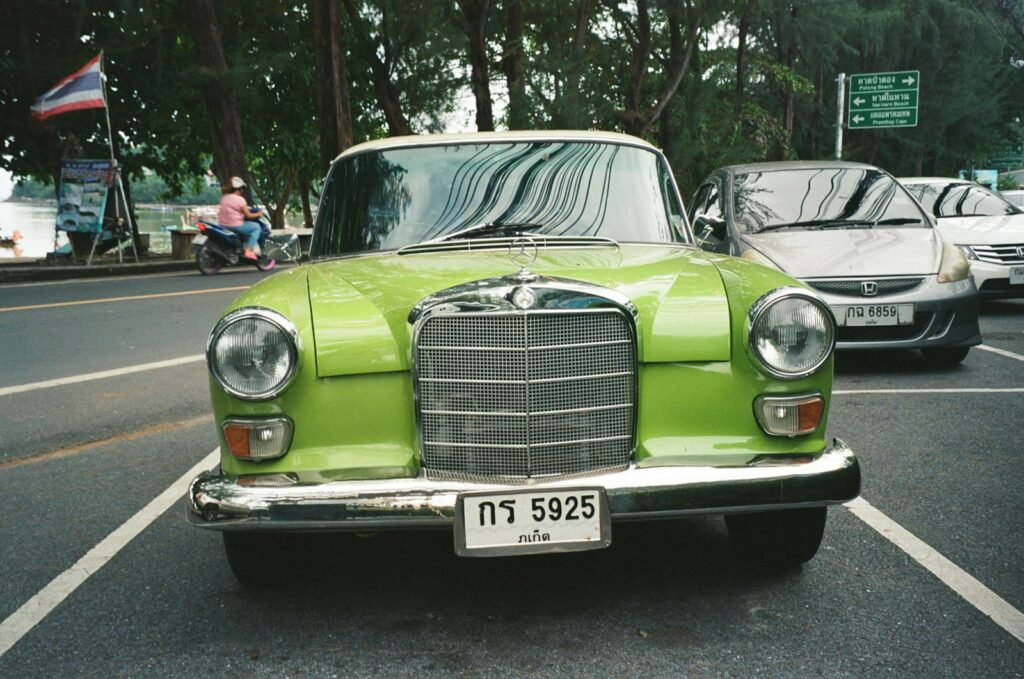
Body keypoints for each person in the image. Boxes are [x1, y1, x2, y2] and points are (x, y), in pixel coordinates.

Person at [218, 176, 264, 260]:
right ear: (240, 189)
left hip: (222, 225)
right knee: (256, 227)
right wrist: (259, 214)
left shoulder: (223, 198)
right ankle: (248, 250)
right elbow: (248, 215)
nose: (243, 191)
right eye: (242, 189)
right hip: (235, 225)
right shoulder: (240, 200)